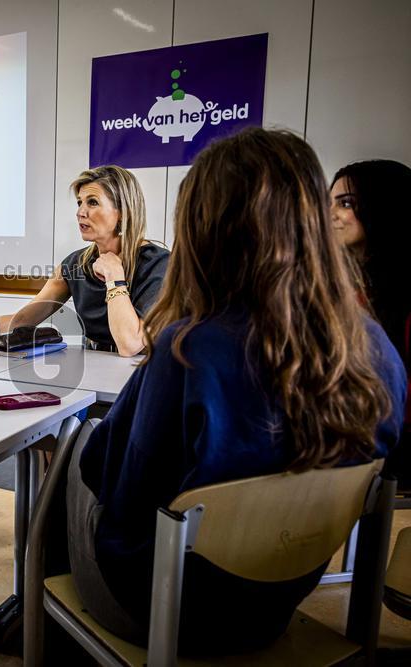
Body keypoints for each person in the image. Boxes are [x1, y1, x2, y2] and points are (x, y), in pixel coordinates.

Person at [65, 128, 406, 654]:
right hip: (278, 600)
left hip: (164, 610)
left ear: (205, 226)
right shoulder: (378, 347)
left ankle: (45, 632)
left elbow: (123, 495)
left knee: (76, 444)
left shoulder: (189, 347)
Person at [0, 166, 168, 357]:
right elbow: (25, 318)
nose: (81, 212)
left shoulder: (159, 264)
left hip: (143, 373)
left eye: (92, 202)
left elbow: (130, 345)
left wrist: (114, 279)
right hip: (97, 369)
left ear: (122, 212)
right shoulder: (75, 264)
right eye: (79, 203)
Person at [330, 159, 411, 483]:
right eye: (330, 202)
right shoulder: (336, 291)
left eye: (347, 203)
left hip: (390, 468)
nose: (332, 214)